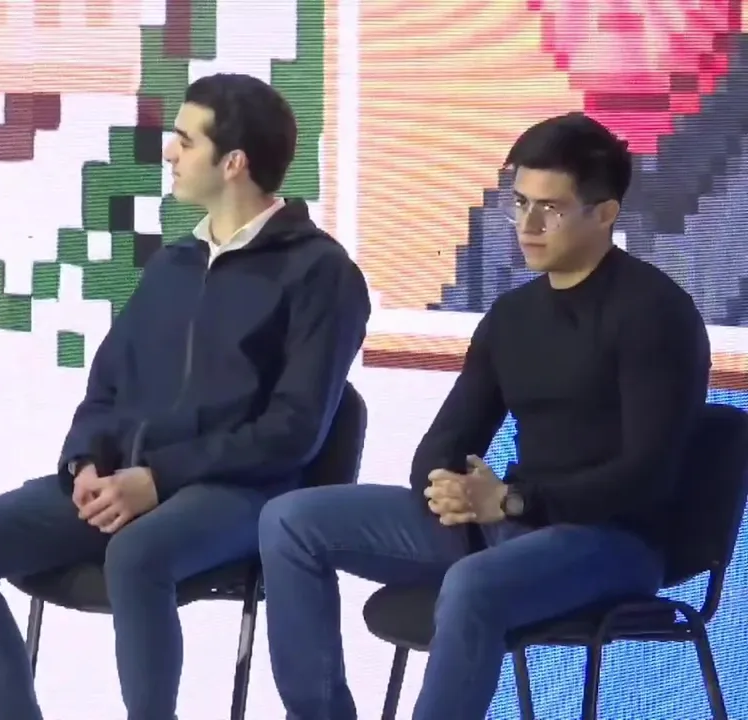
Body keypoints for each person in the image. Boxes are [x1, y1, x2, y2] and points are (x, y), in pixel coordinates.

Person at [0, 73, 370, 720]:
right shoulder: (172, 265)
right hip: (132, 479)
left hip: (247, 490)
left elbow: (293, 430)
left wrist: (158, 478)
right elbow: (106, 386)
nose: (169, 152)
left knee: (136, 554)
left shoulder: (320, 273)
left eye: (185, 140)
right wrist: (84, 463)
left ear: (234, 163)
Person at [258, 113, 711, 720]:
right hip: (507, 524)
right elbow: (445, 440)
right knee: (290, 520)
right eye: (519, 203)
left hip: (615, 540)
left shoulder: (656, 314)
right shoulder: (512, 316)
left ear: (604, 213)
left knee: (473, 585)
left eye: (550, 209)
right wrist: (445, 486)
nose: (528, 225)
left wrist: (514, 500)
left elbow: (647, 476)